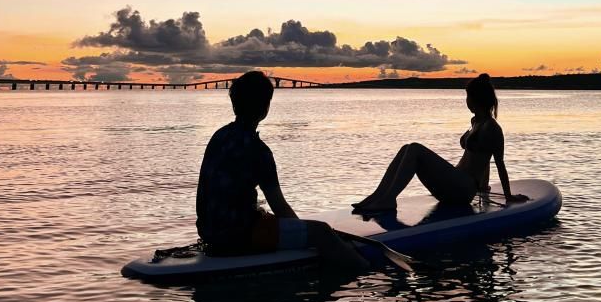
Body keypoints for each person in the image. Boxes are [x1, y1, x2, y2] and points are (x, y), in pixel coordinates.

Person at [196, 71, 368, 270]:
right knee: (322, 232)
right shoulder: (259, 151)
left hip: (209, 231)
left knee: (270, 218)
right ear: (265, 107)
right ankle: (365, 272)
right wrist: (305, 234)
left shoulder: (219, 136)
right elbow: (280, 207)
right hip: (240, 235)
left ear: (234, 103)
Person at [353, 73, 528, 212]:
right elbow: (479, 157)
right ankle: (378, 196)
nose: (466, 101)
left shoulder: (493, 128)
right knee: (407, 148)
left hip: (463, 189)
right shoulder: (475, 122)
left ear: (476, 99)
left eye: (468, 97)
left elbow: (498, 163)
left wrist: (508, 195)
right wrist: (484, 187)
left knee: (415, 148)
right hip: (454, 183)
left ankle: (388, 199)